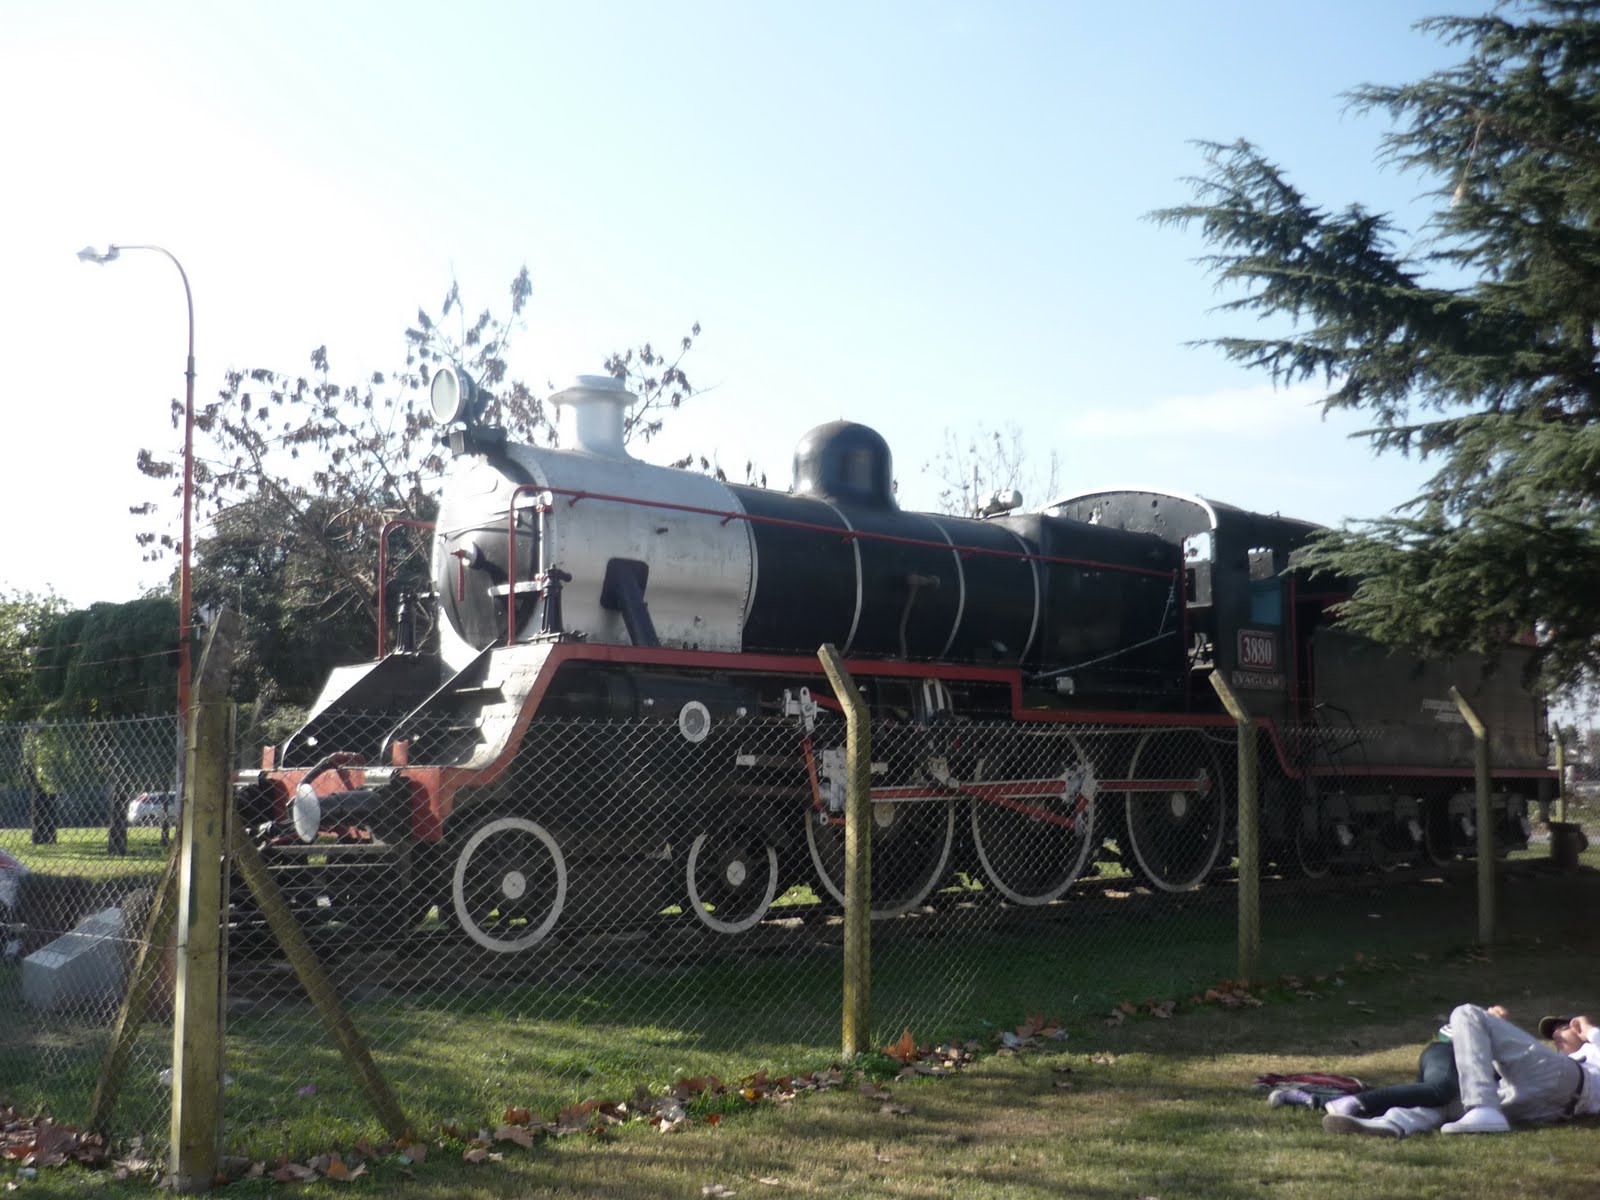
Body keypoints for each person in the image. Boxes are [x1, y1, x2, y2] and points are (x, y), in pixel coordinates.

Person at [1439, 1005, 1600, 1134]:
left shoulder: (1593, 1048)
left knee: (1467, 1013)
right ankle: (1420, 1120)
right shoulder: (1560, 1059)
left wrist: (1591, 1031)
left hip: (1573, 1082)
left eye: (1564, 1027)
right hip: (1554, 1108)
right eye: (1553, 1032)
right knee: (1450, 1105)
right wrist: (1492, 1032)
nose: (1555, 1033)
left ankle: (1482, 1107)